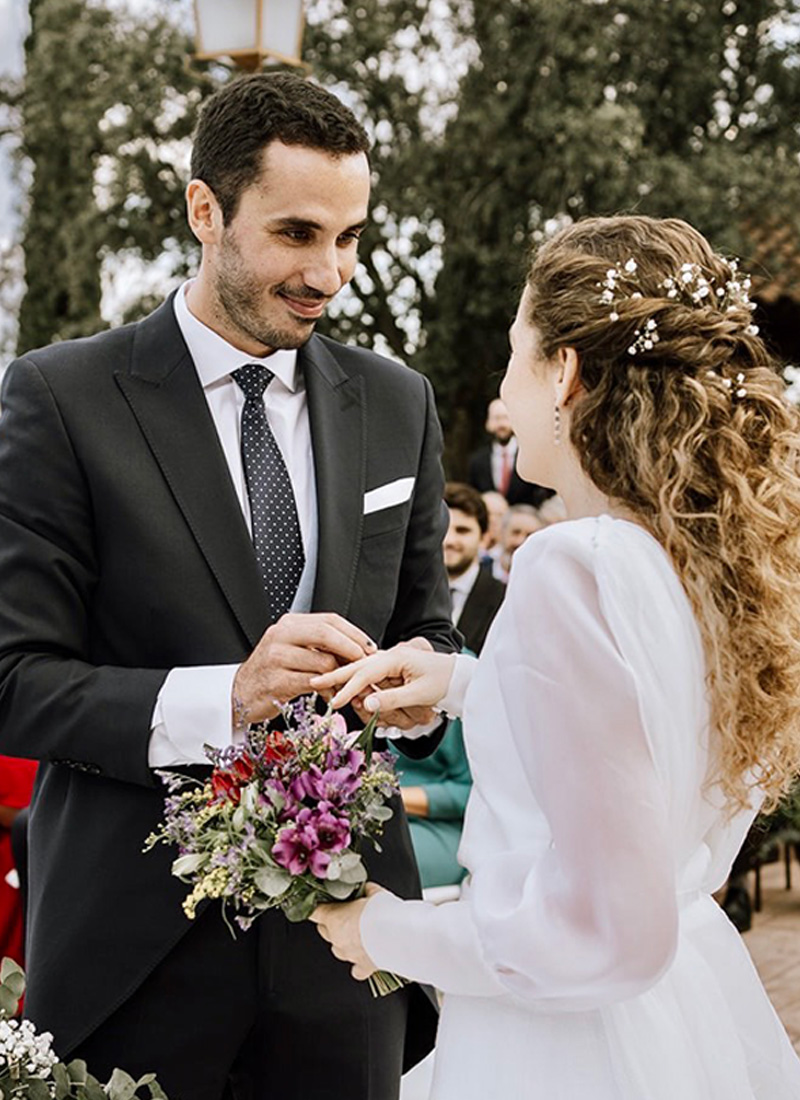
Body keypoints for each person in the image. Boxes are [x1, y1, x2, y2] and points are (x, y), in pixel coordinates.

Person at [0, 73, 460, 1100]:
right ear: (204, 209)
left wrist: (423, 673)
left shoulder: (397, 403)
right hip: (132, 952)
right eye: (298, 233)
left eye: (349, 237)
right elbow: (15, 677)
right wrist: (225, 697)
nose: (330, 272)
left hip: (348, 945)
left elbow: (428, 623)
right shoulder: (58, 397)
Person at [311, 215, 800, 1099]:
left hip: (565, 1044)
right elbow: (654, 744)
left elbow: (599, 932)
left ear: (565, 374)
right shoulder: (709, 561)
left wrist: (386, 930)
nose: (502, 393)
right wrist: (469, 684)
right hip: (683, 1012)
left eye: (513, 353)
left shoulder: (573, 566)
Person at [443, 482, 506, 656]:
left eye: (462, 531)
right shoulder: (405, 595)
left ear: (484, 538)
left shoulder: (504, 599)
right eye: (442, 529)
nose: (450, 540)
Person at [467, 396, 551, 506]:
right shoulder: (477, 461)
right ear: (488, 423)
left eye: (505, 418)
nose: (501, 424)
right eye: (496, 418)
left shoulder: (531, 458)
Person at [489, 502, 543, 583]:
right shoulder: (484, 567)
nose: (520, 541)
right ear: (502, 533)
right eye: (516, 533)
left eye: (529, 535)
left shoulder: (543, 578)